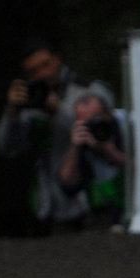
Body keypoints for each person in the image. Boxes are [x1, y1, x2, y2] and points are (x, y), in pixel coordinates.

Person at [0, 41, 114, 233]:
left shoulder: (89, 90)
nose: (41, 74)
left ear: (58, 60)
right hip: (50, 204)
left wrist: (58, 109)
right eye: (33, 71)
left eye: (46, 65)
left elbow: (100, 136)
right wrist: (12, 112)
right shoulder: (30, 99)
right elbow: (8, 148)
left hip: (92, 199)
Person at [58, 90, 128, 228]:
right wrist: (75, 149)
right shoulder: (81, 139)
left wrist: (112, 154)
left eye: (96, 120)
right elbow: (67, 185)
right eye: (85, 124)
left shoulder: (128, 126)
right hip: (101, 217)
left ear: (108, 114)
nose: (93, 128)